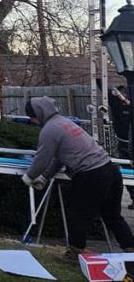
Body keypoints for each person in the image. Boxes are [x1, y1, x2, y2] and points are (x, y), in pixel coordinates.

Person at [24, 96, 134, 258]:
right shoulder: (65, 123)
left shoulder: (50, 130)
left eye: (32, 117)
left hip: (91, 174)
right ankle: (130, 249)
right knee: (113, 216)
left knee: (79, 215)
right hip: (110, 170)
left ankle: (75, 253)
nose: (33, 120)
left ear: (38, 114)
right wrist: (45, 177)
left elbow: (43, 158)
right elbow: (58, 158)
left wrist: (30, 176)